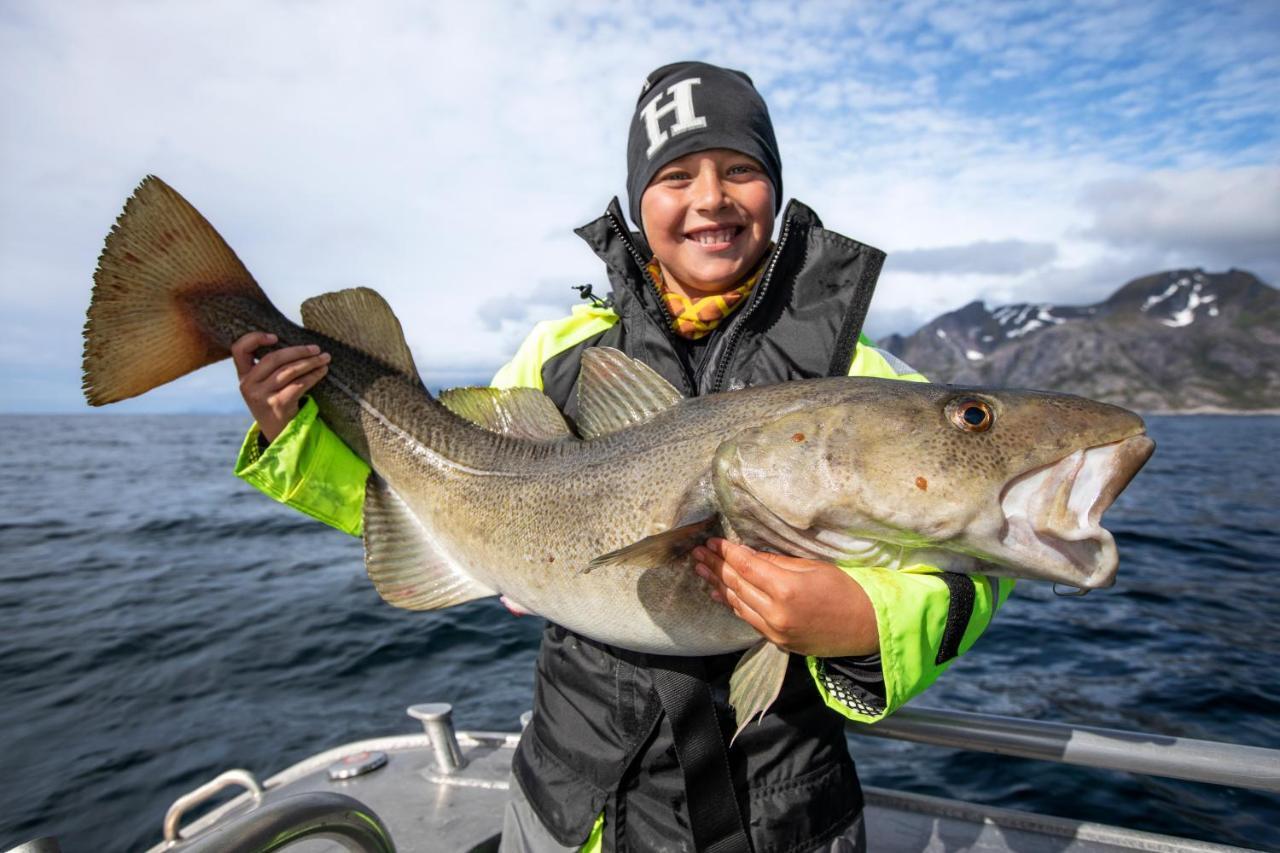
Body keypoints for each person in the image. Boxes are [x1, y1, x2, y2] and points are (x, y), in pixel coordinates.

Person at [230, 61, 1012, 853]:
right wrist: (291, 429)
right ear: (639, 201)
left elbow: (981, 563)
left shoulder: (861, 376)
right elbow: (430, 497)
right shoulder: (559, 354)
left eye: (742, 169)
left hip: (782, 816)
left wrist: (864, 619)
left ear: (775, 192)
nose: (711, 196)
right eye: (676, 175)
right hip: (568, 804)